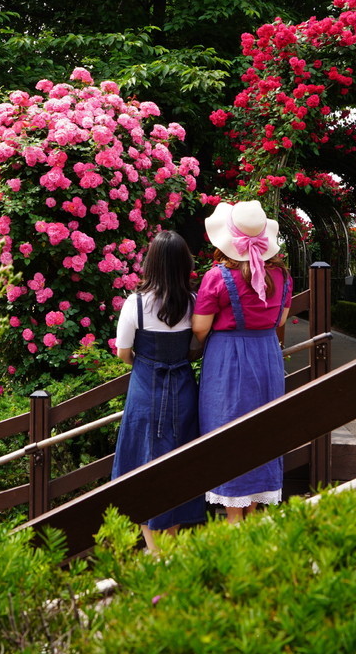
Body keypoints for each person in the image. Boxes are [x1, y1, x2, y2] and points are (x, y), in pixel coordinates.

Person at [192, 200, 291, 524]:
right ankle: (252, 513)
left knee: (227, 429)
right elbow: (281, 320)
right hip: (267, 357)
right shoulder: (283, 276)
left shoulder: (217, 276)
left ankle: (234, 518)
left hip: (228, 360)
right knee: (264, 430)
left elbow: (200, 327)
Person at [111, 230, 206, 551]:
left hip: (145, 390)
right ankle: (170, 544)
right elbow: (196, 348)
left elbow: (123, 352)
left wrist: (145, 360)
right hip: (182, 390)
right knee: (179, 465)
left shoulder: (134, 304)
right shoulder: (193, 303)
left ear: (150, 263)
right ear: (184, 265)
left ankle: (154, 550)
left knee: (142, 463)